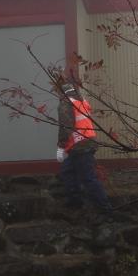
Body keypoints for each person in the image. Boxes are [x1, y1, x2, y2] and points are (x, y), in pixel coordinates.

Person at [56, 82, 112, 213]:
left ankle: (105, 210)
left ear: (62, 93)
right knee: (68, 172)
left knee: (88, 178)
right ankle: (75, 203)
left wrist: (61, 146)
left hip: (79, 145)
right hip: (87, 142)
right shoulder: (82, 102)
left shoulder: (66, 103)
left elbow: (66, 126)